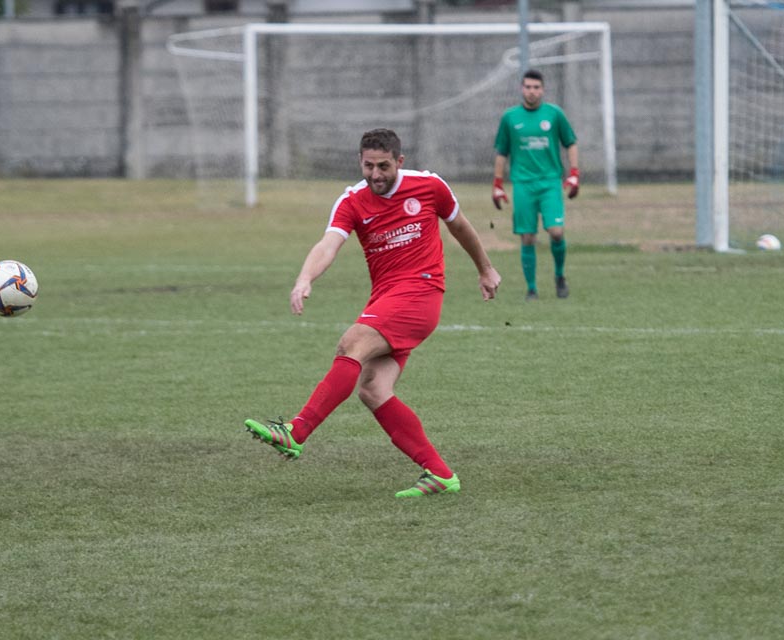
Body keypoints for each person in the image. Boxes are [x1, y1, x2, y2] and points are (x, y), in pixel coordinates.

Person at [245, 128, 501, 498]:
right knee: (373, 388)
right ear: (359, 161)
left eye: (384, 166)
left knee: (352, 343)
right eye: (369, 166)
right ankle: (440, 474)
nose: (376, 175)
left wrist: (485, 269)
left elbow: (460, 226)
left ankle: (296, 432)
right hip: (385, 298)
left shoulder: (429, 186)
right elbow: (328, 244)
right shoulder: (352, 200)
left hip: (421, 293)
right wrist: (305, 278)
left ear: (399, 161)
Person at [492, 69, 579, 300]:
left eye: (536, 87)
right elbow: (501, 152)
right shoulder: (510, 118)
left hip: (550, 182)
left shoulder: (554, 114)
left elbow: (570, 142)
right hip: (523, 184)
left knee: (556, 232)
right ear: (522, 89)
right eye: (528, 87)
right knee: (528, 237)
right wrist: (497, 184)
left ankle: (559, 276)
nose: (532, 91)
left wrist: (574, 173)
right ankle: (531, 289)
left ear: (543, 90)